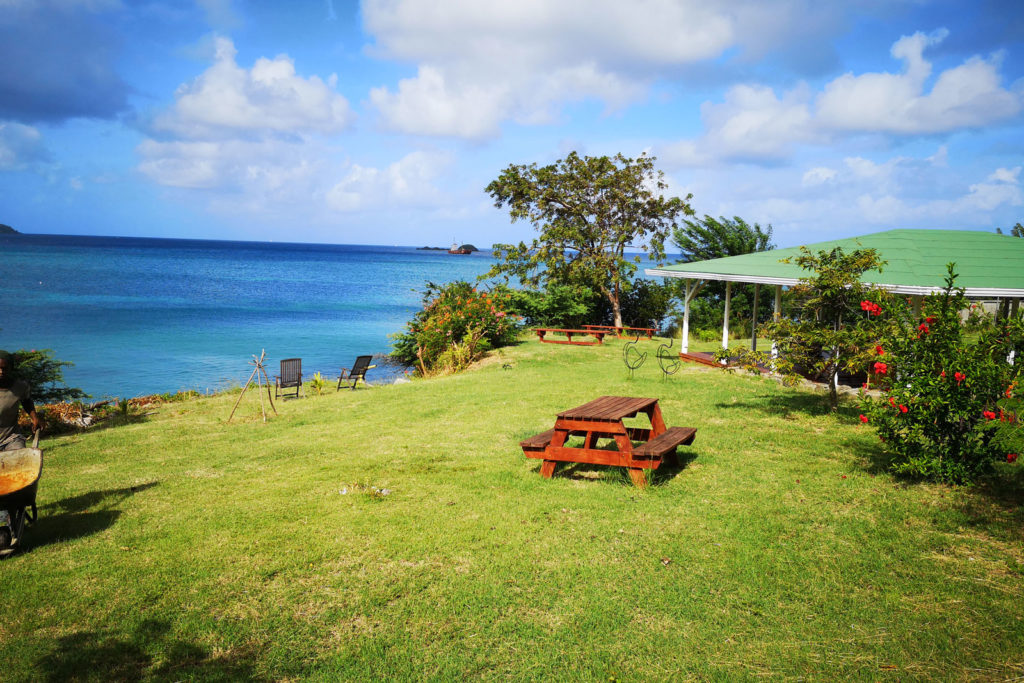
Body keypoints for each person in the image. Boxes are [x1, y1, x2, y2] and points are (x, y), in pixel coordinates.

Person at [0, 352, 41, 451]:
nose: (1, 372)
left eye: (4, 368)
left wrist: (34, 418)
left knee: (19, 455)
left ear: (11, 368)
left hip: (11, 438)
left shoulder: (20, 387)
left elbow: (26, 401)